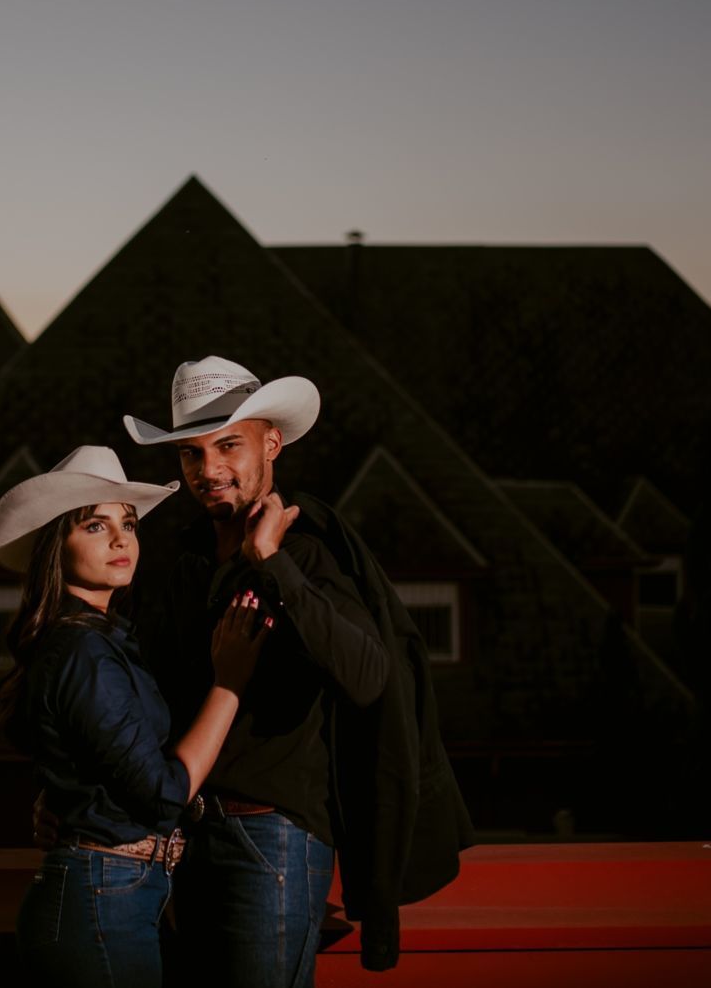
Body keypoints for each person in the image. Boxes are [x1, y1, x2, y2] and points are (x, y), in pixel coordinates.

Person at [121, 356, 470, 984]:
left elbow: (369, 677)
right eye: (191, 453)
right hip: (180, 840)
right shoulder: (182, 562)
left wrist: (272, 563)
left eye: (229, 445)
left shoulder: (308, 553)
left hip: (270, 838)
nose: (209, 469)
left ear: (271, 444)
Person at [0, 445, 270, 988]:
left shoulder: (107, 641)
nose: (121, 539)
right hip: (101, 896)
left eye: (129, 524)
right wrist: (230, 683)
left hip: (120, 892)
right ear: (56, 546)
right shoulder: (83, 651)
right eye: (95, 526)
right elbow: (164, 795)